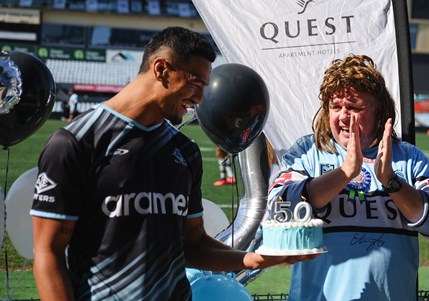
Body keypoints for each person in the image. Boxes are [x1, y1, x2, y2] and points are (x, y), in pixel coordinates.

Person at [30, 26, 315, 301]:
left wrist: (252, 259)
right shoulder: (76, 142)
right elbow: (48, 253)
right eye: (194, 82)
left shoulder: (184, 151)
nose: (201, 97)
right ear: (161, 69)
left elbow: (193, 244)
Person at [267, 54, 429, 301]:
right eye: (335, 107)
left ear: (379, 112)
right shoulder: (307, 152)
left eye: (354, 107)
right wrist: (344, 173)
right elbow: (276, 210)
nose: (343, 116)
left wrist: (392, 182)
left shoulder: (408, 158)